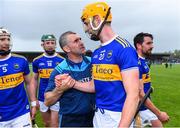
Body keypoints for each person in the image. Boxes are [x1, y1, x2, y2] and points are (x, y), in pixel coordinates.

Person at [55, 2, 140, 127]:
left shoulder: (124, 48)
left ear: (97, 19)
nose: (86, 28)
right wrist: (71, 82)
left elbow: (133, 95)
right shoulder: (97, 52)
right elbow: (95, 85)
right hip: (98, 115)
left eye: (86, 23)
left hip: (118, 116)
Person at [44, 31, 95, 127]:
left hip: (94, 117)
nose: (81, 42)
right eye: (76, 41)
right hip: (70, 121)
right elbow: (47, 101)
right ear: (66, 48)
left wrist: (73, 83)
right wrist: (60, 89)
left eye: (80, 39)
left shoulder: (93, 62)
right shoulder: (59, 70)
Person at [0, 27, 37, 127]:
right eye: (2, 39)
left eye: (8, 39)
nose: (6, 43)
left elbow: (29, 83)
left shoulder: (21, 60)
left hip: (21, 112)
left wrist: (33, 103)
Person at [134, 32, 169, 127]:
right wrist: (159, 113)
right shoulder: (136, 63)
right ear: (139, 45)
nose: (152, 46)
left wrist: (149, 87)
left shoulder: (142, 61)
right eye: (148, 43)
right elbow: (140, 94)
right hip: (139, 107)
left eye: (152, 43)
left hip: (144, 105)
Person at [31, 34, 64, 127]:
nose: (50, 45)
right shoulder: (37, 60)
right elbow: (34, 80)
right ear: (43, 44)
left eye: (52, 43)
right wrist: (34, 99)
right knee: (46, 123)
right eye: (47, 43)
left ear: (55, 44)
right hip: (42, 97)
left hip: (57, 96)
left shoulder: (62, 60)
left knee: (55, 124)